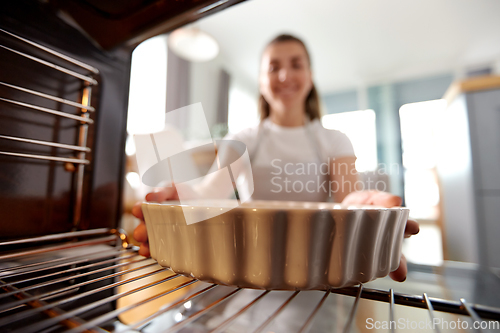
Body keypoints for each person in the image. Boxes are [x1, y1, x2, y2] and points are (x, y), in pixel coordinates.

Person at [132, 34, 419, 282]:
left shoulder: (335, 140)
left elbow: (349, 200)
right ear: (261, 80)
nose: (284, 76)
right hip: (249, 273)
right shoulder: (243, 140)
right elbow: (207, 195)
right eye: (273, 67)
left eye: (296, 65)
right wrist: (182, 195)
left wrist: (366, 217)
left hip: (318, 273)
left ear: (310, 76)